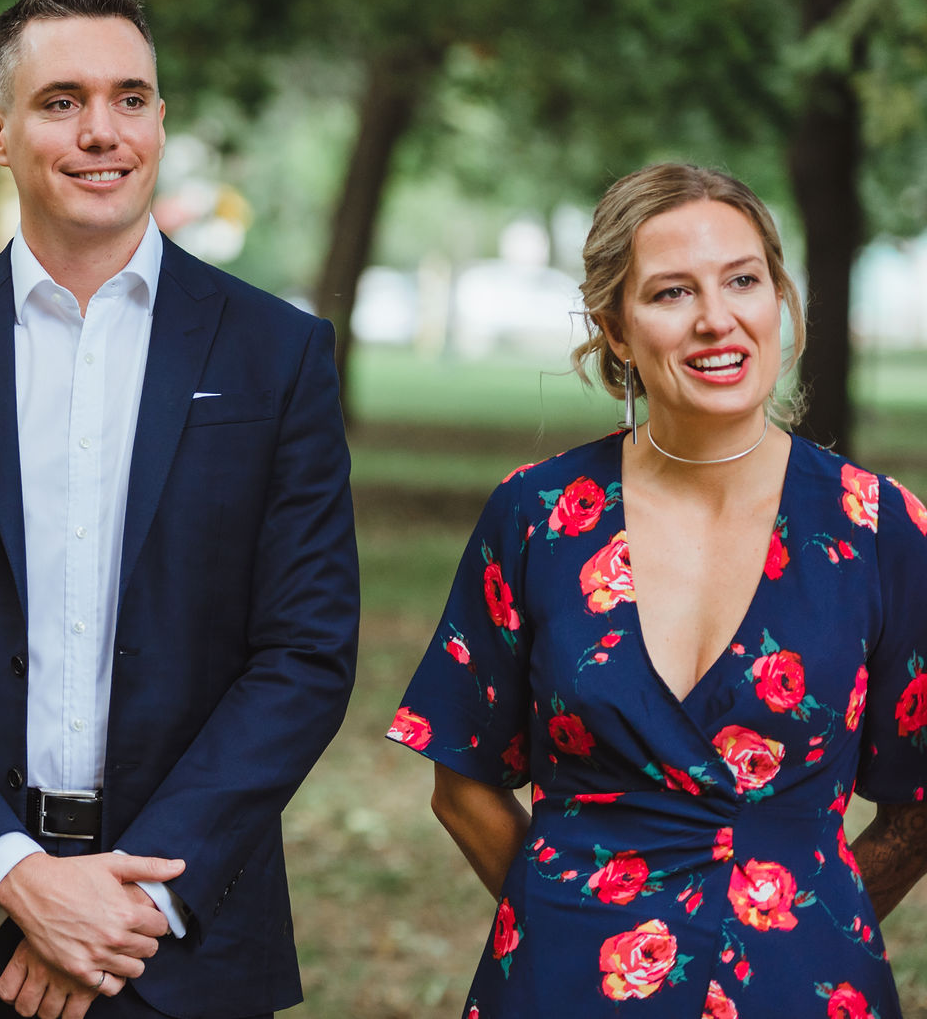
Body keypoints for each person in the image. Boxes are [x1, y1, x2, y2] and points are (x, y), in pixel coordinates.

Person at [0, 0, 361, 1019]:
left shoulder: (276, 356)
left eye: (130, 98)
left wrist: (129, 899)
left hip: (184, 936)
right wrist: (17, 876)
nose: (100, 131)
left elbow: (304, 652)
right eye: (60, 100)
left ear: (159, 117)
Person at [390, 162, 927, 1017]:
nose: (718, 319)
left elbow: (919, 802)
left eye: (743, 280)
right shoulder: (537, 515)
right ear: (614, 325)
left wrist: (803, 915)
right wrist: (570, 912)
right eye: (672, 292)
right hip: (565, 984)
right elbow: (461, 781)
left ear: (779, 295)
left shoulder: (880, 526)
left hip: (805, 989)